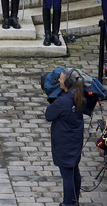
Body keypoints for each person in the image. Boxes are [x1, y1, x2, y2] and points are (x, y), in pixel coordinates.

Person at [45, 67, 86, 206]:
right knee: (74, 170)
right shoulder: (79, 96)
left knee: (67, 175)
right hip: (75, 140)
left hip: (64, 142)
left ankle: (67, 203)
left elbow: (48, 115)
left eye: (61, 79)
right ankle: (74, 200)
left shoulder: (62, 101)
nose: (58, 80)